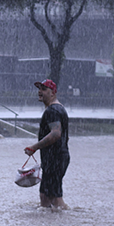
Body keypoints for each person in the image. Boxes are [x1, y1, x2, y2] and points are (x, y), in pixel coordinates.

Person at [24, 79, 70, 209]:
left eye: (44, 89)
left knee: (53, 197)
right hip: (58, 157)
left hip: (55, 159)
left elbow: (56, 133)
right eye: (39, 89)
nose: (40, 91)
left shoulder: (52, 111)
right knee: (47, 196)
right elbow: (64, 136)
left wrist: (34, 147)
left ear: (53, 93)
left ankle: (63, 217)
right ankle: (54, 219)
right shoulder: (60, 108)